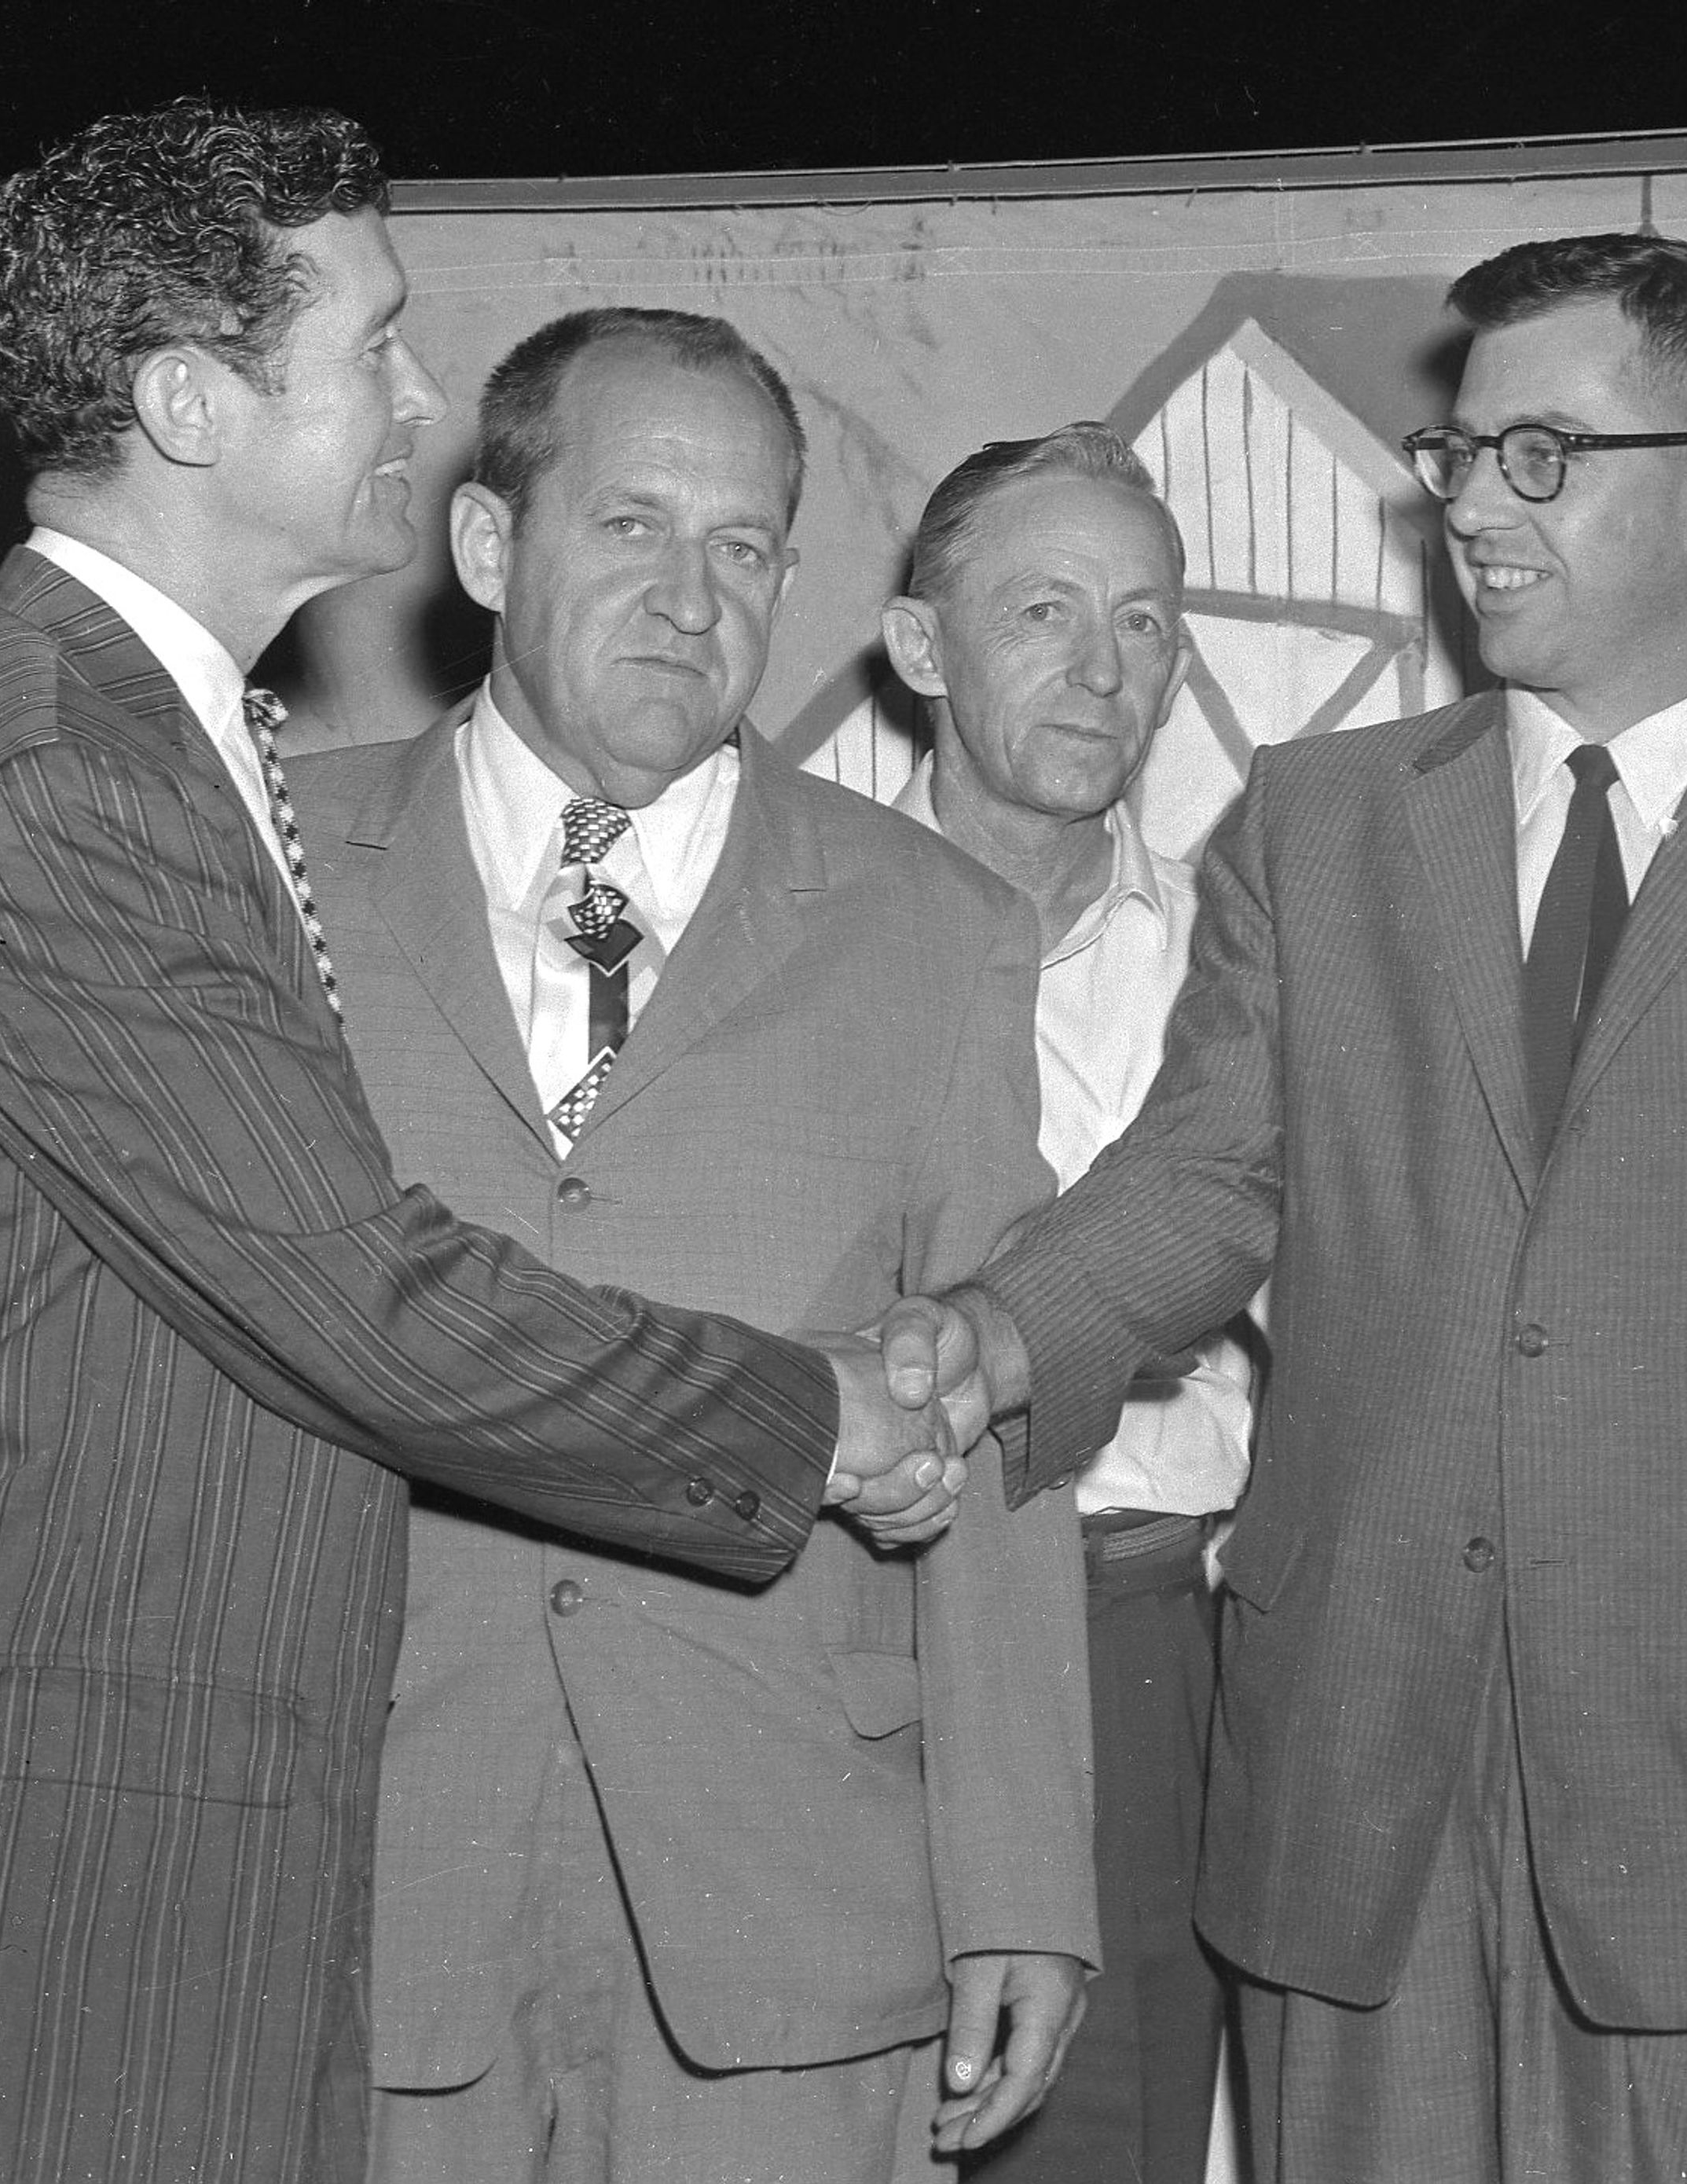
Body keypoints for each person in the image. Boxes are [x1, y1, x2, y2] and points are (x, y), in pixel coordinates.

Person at [0, 106, 962, 2184]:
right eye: (372, 346)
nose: (421, 402)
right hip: (43, 1919)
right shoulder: (58, 787)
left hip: (131, 1875)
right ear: (187, 401)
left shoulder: (145, 735)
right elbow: (366, 1292)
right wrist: (822, 1419)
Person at [883, 235, 1687, 2179]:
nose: (1475, 508)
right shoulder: (1320, 813)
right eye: (1462, 453)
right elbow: (1202, 1178)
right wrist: (991, 1334)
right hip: (1356, 1806)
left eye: (1548, 454)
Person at [286, 307, 1095, 2184]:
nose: (689, 596)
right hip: (367, 1879)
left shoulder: (937, 930)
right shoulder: (273, 870)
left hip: (795, 1916)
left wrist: (1021, 1888)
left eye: (743, 548)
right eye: (632, 525)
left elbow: (995, 1414)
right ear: (491, 546)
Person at [876, 422, 1256, 2183]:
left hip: (1131, 1645)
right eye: (1042, 611)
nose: (1107, 671)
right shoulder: (758, 932)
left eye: (1147, 620)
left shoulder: (1241, 973)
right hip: (830, 1632)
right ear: (921, 646)